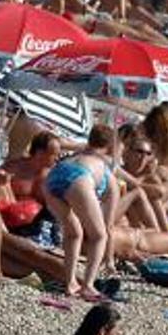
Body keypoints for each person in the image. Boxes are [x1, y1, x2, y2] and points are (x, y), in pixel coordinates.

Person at [43, 125, 118, 302]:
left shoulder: (79, 154)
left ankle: (70, 284)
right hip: (80, 177)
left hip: (56, 174)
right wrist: (109, 260)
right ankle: (88, 286)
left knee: (74, 232)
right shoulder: (108, 175)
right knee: (99, 236)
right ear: (110, 146)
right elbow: (109, 227)